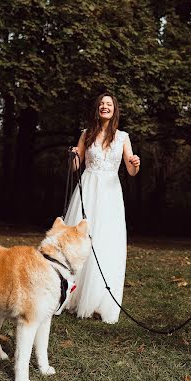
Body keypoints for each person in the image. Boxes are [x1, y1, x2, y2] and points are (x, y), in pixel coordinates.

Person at [63, 92, 140, 323]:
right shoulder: (86, 134)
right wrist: (74, 156)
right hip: (87, 189)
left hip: (110, 194)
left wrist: (135, 163)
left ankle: (99, 301)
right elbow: (76, 167)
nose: (105, 107)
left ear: (114, 109)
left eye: (109, 104)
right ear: (97, 109)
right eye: (101, 104)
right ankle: (71, 296)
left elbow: (131, 170)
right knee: (79, 241)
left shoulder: (123, 137)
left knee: (107, 242)